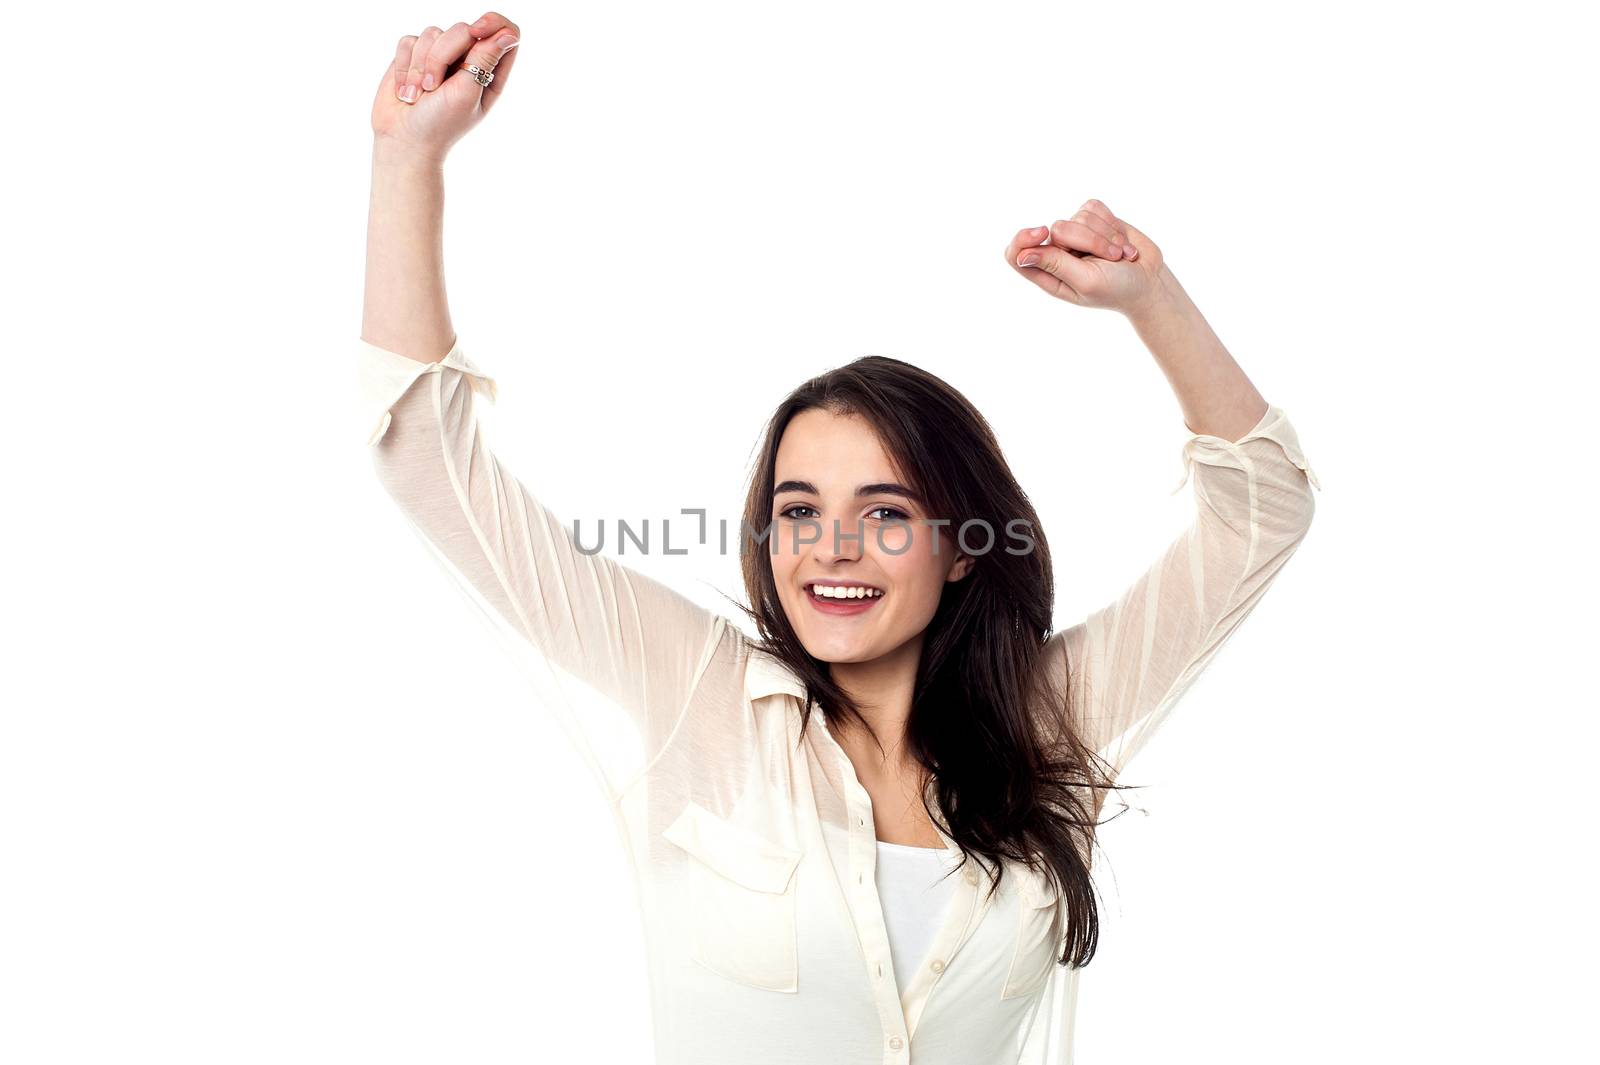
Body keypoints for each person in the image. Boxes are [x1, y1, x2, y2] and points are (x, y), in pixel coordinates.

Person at [357, 12, 1323, 1065]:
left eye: (887, 512)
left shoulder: (1053, 725)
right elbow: (428, 461)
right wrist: (408, 158)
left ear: (963, 544)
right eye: (799, 510)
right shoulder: (704, 698)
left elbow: (1263, 511)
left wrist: (1151, 297)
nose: (832, 548)